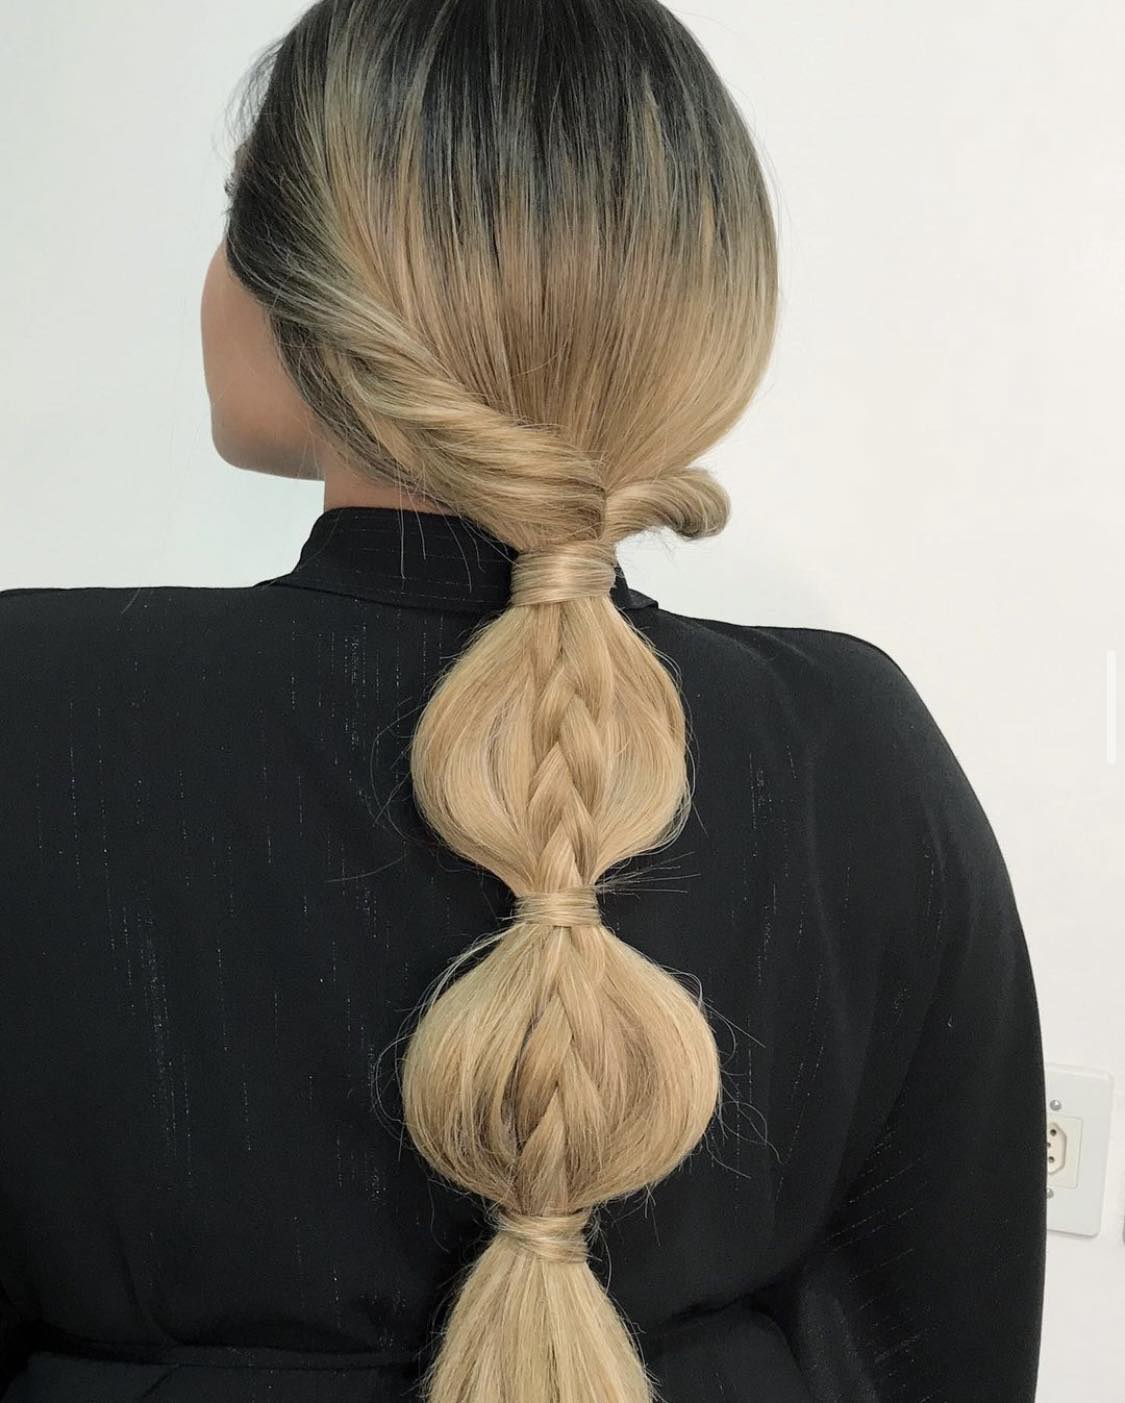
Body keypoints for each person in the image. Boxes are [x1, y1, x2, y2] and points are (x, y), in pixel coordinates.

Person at [0, 1, 1046, 1400]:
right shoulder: (848, 745)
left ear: (315, 289)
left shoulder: (38, 716)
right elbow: (942, 1329)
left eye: (239, 211)